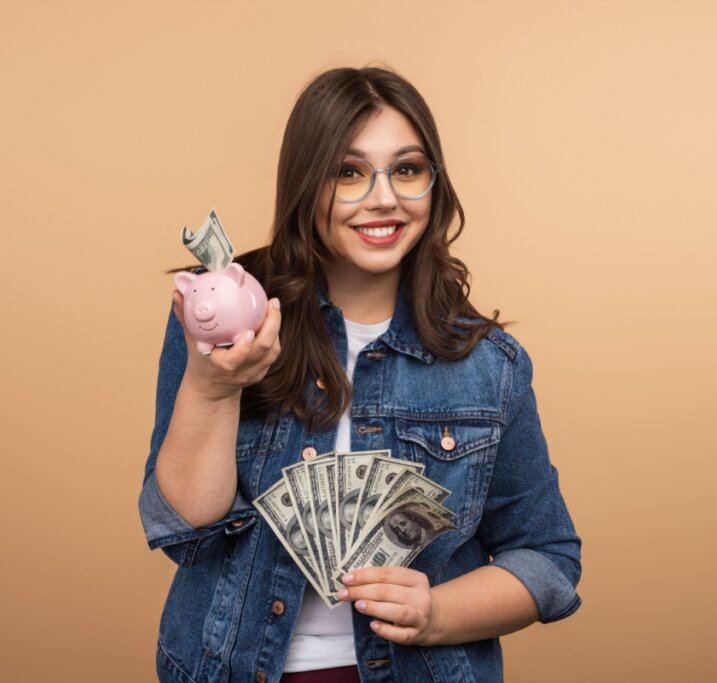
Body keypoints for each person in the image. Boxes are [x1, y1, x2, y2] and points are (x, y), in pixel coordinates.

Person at [139, 66, 582, 683]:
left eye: (407, 169)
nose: (384, 197)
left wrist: (436, 612)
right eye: (349, 172)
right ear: (306, 183)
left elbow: (548, 558)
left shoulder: (489, 366)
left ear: (434, 184)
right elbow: (189, 533)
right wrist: (214, 387)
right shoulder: (229, 317)